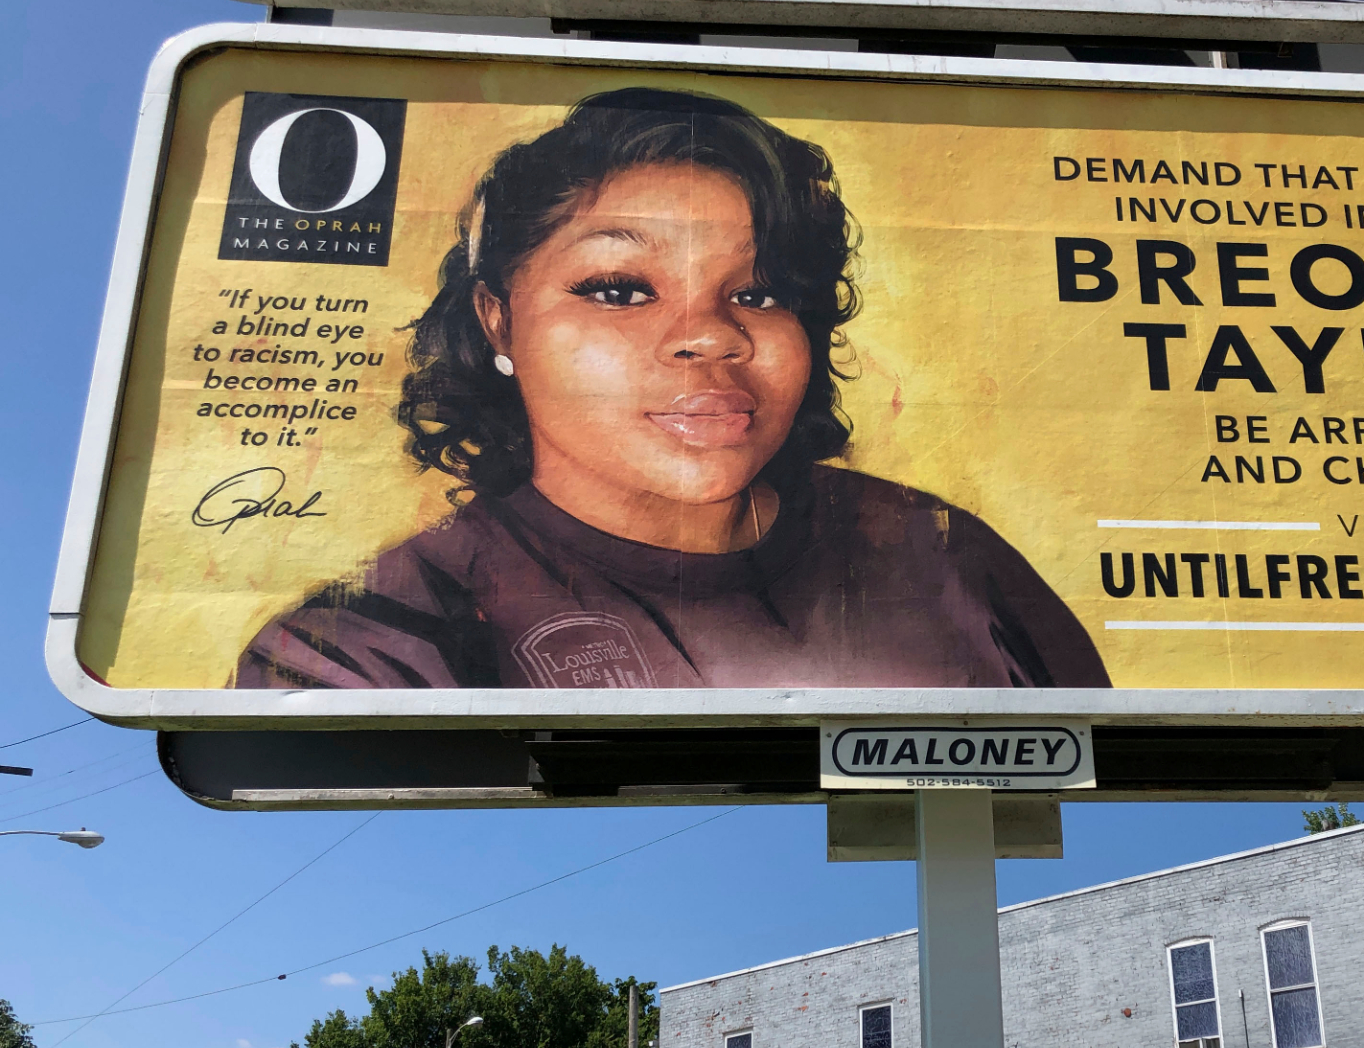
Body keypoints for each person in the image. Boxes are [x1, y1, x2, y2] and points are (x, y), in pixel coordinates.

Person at [235, 87, 1109, 691]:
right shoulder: (363, 647)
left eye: (760, 293)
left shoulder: (938, 549)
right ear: (499, 321)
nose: (711, 334)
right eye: (618, 289)